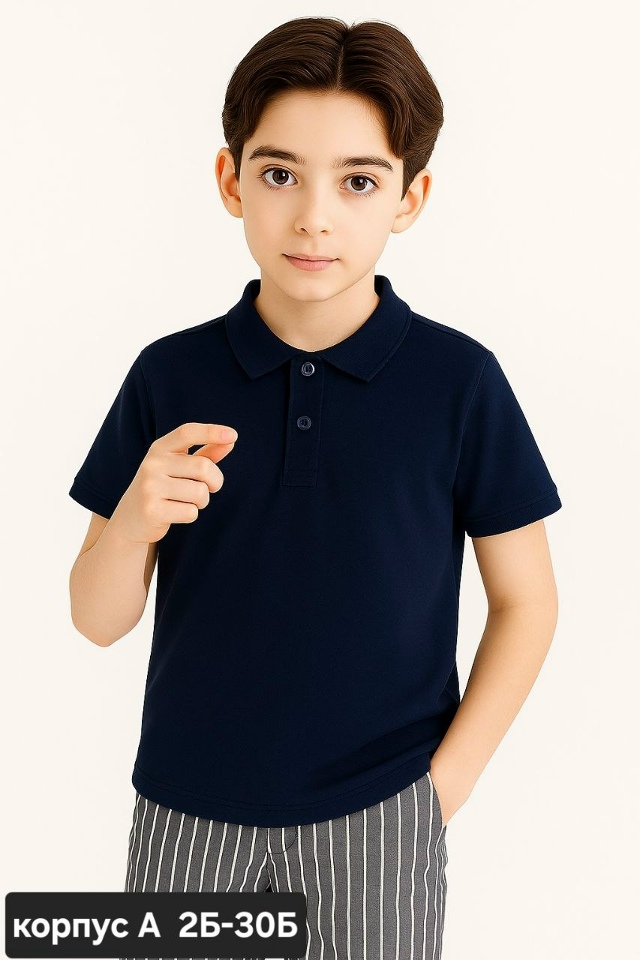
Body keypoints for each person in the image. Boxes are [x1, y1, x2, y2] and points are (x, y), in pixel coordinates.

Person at [68, 16, 562, 960]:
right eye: (280, 174)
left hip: (383, 816)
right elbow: (95, 619)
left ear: (410, 197)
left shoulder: (459, 383)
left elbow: (527, 601)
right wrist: (131, 523)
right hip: (183, 811)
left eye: (358, 181)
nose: (314, 217)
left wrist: (439, 791)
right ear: (231, 181)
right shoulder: (168, 376)